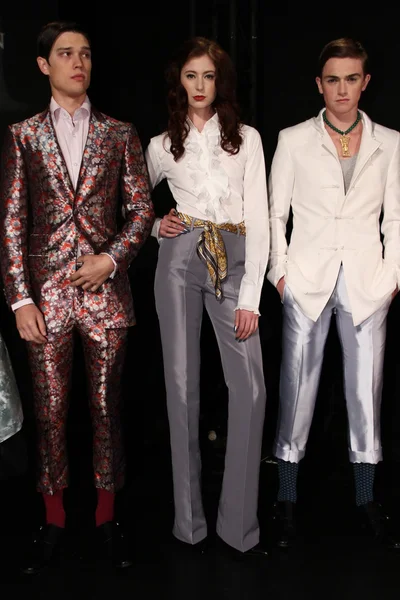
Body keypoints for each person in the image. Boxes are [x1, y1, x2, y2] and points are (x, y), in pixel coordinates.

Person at [0, 20, 154, 573]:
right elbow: (14, 222)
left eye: (85, 53)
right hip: (45, 301)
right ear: (45, 65)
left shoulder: (119, 133)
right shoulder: (23, 135)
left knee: (110, 410)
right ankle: (55, 519)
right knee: (50, 413)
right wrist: (21, 300)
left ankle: (108, 519)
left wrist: (111, 259)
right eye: (66, 54)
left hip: (106, 295)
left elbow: (141, 211)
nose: (78, 62)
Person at [267, 37, 400, 549]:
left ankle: (367, 500)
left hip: (368, 282)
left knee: (366, 396)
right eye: (332, 79)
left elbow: (395, 217)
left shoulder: (389, 140)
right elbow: (276, 214)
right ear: (319, 84)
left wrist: (390, 278)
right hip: (307, 279)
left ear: (364, 82)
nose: (341, 89)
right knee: (295, 393)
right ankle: (286, 500)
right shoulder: (294, 138)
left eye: (351, 79)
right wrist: (281, 277)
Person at [145, 36, 269, 557]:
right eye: (191, 76)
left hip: (236, 259)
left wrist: (252, 297)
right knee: (181, 390)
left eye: (209, 76)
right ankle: (189, 523)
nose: (200, 86)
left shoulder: (247, 139)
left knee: (251, 391)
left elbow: (261, 219)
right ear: (180, 82)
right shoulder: (158, 146)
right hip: (179, 262)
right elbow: (129, 207)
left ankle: (237, 526)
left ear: (221, 82)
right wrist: (155, 225)